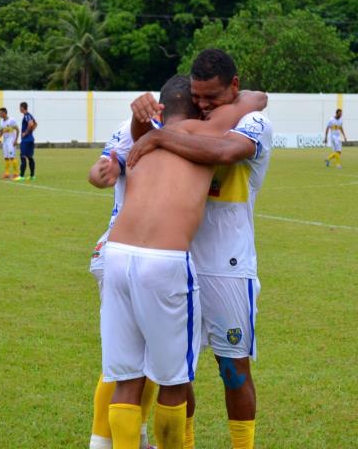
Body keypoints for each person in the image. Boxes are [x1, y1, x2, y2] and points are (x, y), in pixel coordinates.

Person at [103, 74, 265, 449]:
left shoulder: (139, 135)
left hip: (117, 255)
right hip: (163, 260)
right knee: (174, 381)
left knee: (127, 380)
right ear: (195, 107)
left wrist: (149, 124)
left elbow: (106, 167)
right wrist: (235, 102)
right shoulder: (203, 131)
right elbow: (254, 100)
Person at [87, 121, 158, 449]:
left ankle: (138, 437)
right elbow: (101, 169)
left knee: (146, 359)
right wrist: (104, 170)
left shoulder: (191, 128)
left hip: (136, 254)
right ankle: (101, 443)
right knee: (126, 362)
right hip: (128, 253)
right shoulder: (135, 126)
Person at [14, 102, 37, 181]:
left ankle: (21, 176)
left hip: (26, 140)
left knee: (23, 156)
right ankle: (32, 176)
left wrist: (26, 133)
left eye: (20, 107)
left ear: (22, 107)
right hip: (31, 139)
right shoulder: (30, 115)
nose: (19, 109)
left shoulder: (26, 115)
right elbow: (35, 124)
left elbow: (30, 124)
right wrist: (31, 132)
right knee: (30, 157)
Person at [0, 108, 20, 179]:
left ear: (4, 113)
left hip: (11, 141)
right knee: (6, 157)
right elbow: (1, 132)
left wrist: (16, 140)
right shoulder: (1, 122)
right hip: (5, 141)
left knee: (12, 157)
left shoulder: (11, 120)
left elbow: (17, 129)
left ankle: (16, 173)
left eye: (0, 113)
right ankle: (6, 173)